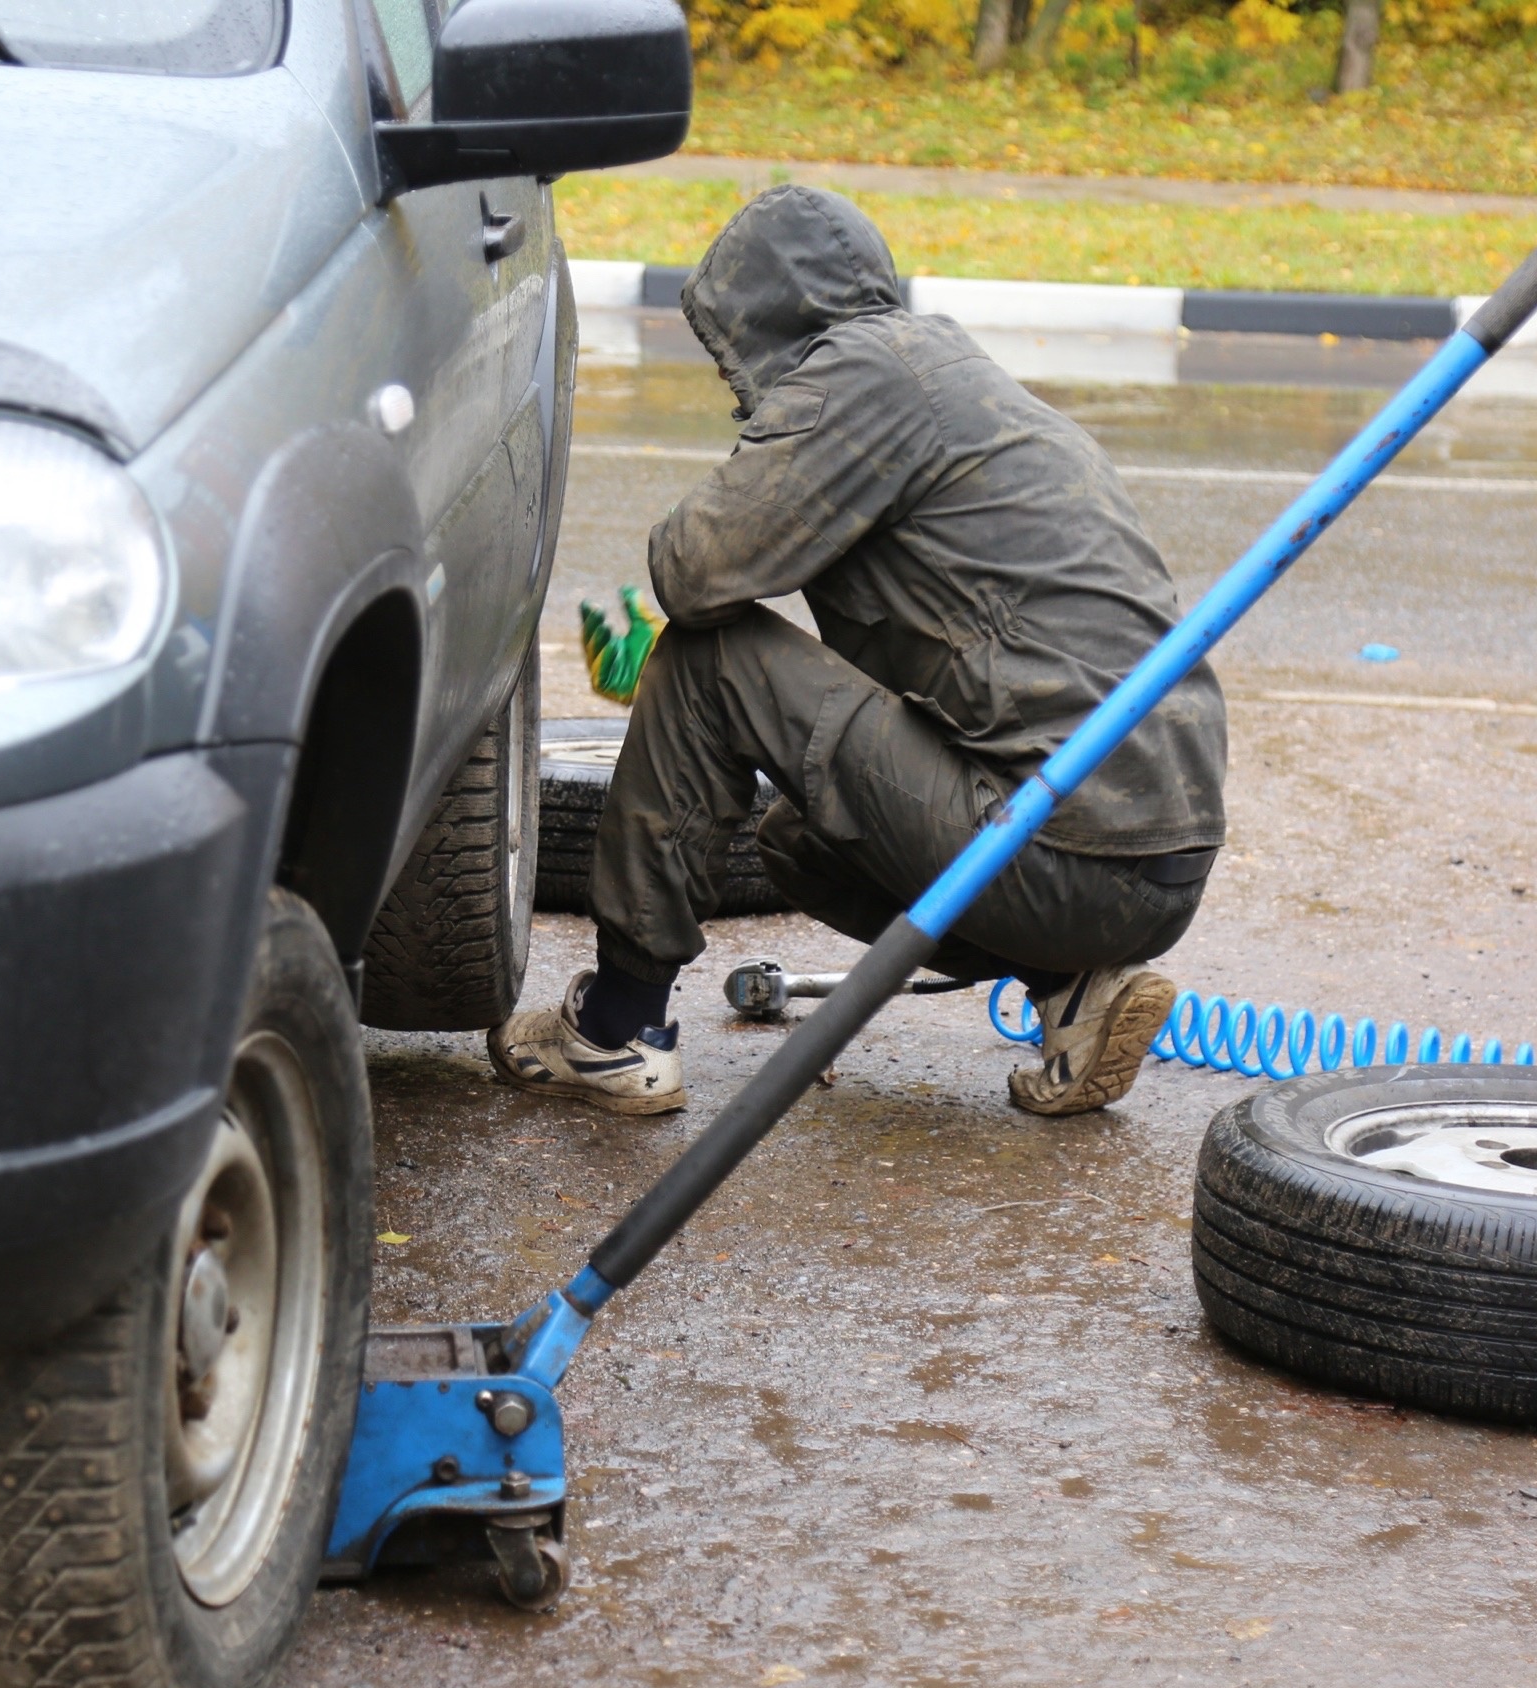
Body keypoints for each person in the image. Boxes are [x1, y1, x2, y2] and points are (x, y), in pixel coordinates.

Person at [489, 186, 1226, 1118]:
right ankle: (1072, 985)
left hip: (1056, 842)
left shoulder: (860, 374)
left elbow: (693, 568)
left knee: (707, 661)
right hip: (1152, 865)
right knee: (800, 846)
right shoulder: (954, 377)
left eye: (731, 357)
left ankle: (618, 1029)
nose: (733, 388)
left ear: (768, 320)